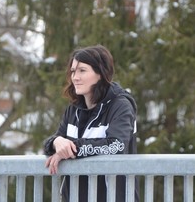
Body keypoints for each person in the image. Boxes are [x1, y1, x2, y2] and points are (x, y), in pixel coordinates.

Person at [43, 45, 139, 202]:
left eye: (82, 70)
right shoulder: (73, 109)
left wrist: (72, 149)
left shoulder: (121, 105)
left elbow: (116, 145)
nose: (75, 77)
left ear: (100, 73)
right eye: (73, 71)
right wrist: (56, 142)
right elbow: (53, 145)